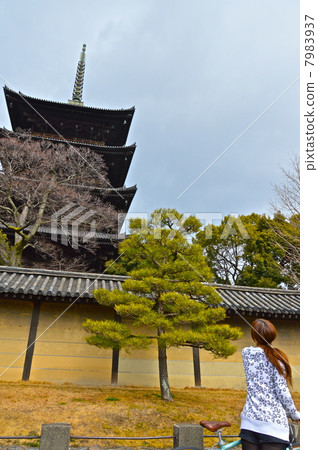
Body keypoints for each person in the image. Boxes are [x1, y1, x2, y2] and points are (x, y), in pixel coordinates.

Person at [239, 318, 300, 450]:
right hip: (273, 424)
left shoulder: (246, 353)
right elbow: (282, 392)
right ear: (273, 336)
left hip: (249, 421)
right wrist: (294, 414)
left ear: (254, 337)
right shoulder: (277, 360)